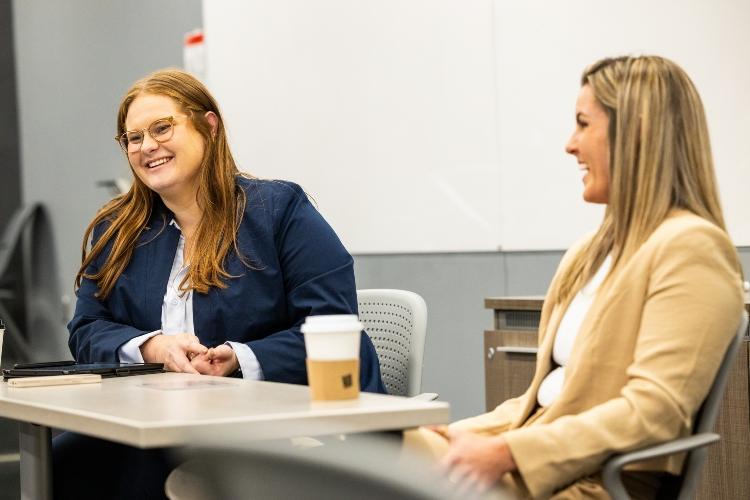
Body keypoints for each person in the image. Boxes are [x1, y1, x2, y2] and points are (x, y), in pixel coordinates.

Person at [407, 55, 745, 499]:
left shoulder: (691, 248)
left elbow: (654, 412)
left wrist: (506, 452)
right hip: (537, 463)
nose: (570, 144)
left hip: (594, 484)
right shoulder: (589, 252)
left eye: (583, 124)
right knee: (373, 445)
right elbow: (544, 401)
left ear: (637, 131)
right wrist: (457, 435)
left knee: (368, 457)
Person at [54, 68, 386, 499]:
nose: (147, 146)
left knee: (145, 472)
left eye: (161, 128)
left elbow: (334, 326)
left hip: (266, 423)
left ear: (208, 126)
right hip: (155, 420)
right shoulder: (118, 231)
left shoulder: (278, 211)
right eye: (133, 138)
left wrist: (238, 357)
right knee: (61, 464)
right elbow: (86, 330)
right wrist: (153, 346)